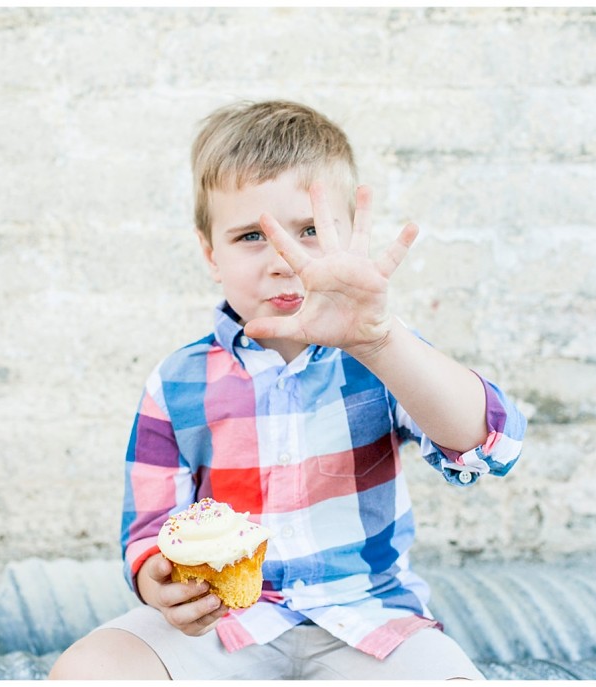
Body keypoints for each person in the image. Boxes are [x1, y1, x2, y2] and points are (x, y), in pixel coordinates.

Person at [49, 100, 526, 680]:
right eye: (252, 235)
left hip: (369, 623)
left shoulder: (384, 357)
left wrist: (379, 341)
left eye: (309, 232)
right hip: (223, 624)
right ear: (210, 255)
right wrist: (155, 578)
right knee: (92, 670)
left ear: (349, 235)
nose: (285, 260)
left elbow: (490, 445)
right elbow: (151, 529)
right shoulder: (177, 382)